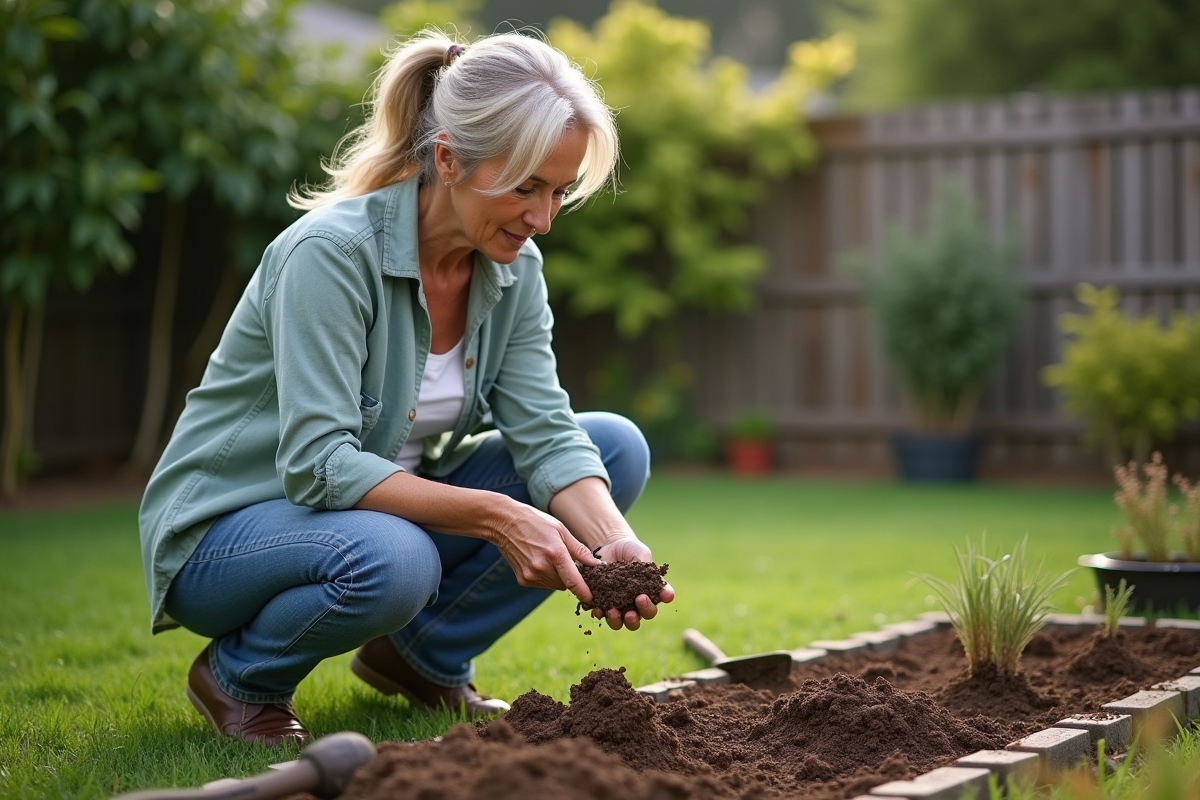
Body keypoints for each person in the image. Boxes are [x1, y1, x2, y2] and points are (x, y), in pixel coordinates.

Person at [137, 29, 674, 746]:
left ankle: (421, 658)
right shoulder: (329, 256)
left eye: (557, 191)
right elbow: (318, 461)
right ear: (448, 158)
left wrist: (617, 543)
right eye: (524, 187)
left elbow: (546, 429)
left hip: (372, 521)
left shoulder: (514, 269)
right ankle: (241, 678)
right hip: (225, 534)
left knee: (612, 448)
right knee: (396, 558)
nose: (542, 218)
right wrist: (499, 517)